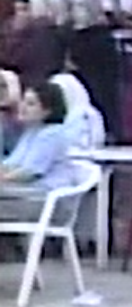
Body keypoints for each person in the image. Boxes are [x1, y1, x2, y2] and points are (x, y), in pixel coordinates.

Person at [0, 79, 75, 221]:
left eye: (31, 104)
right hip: (26, 195)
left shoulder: (52, 134)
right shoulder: (32, 132)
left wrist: (3, 179)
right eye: (23, 101)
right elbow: (10, 165)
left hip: (44, 202)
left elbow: (30, 173)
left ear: (47, 111)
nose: (22, 107)